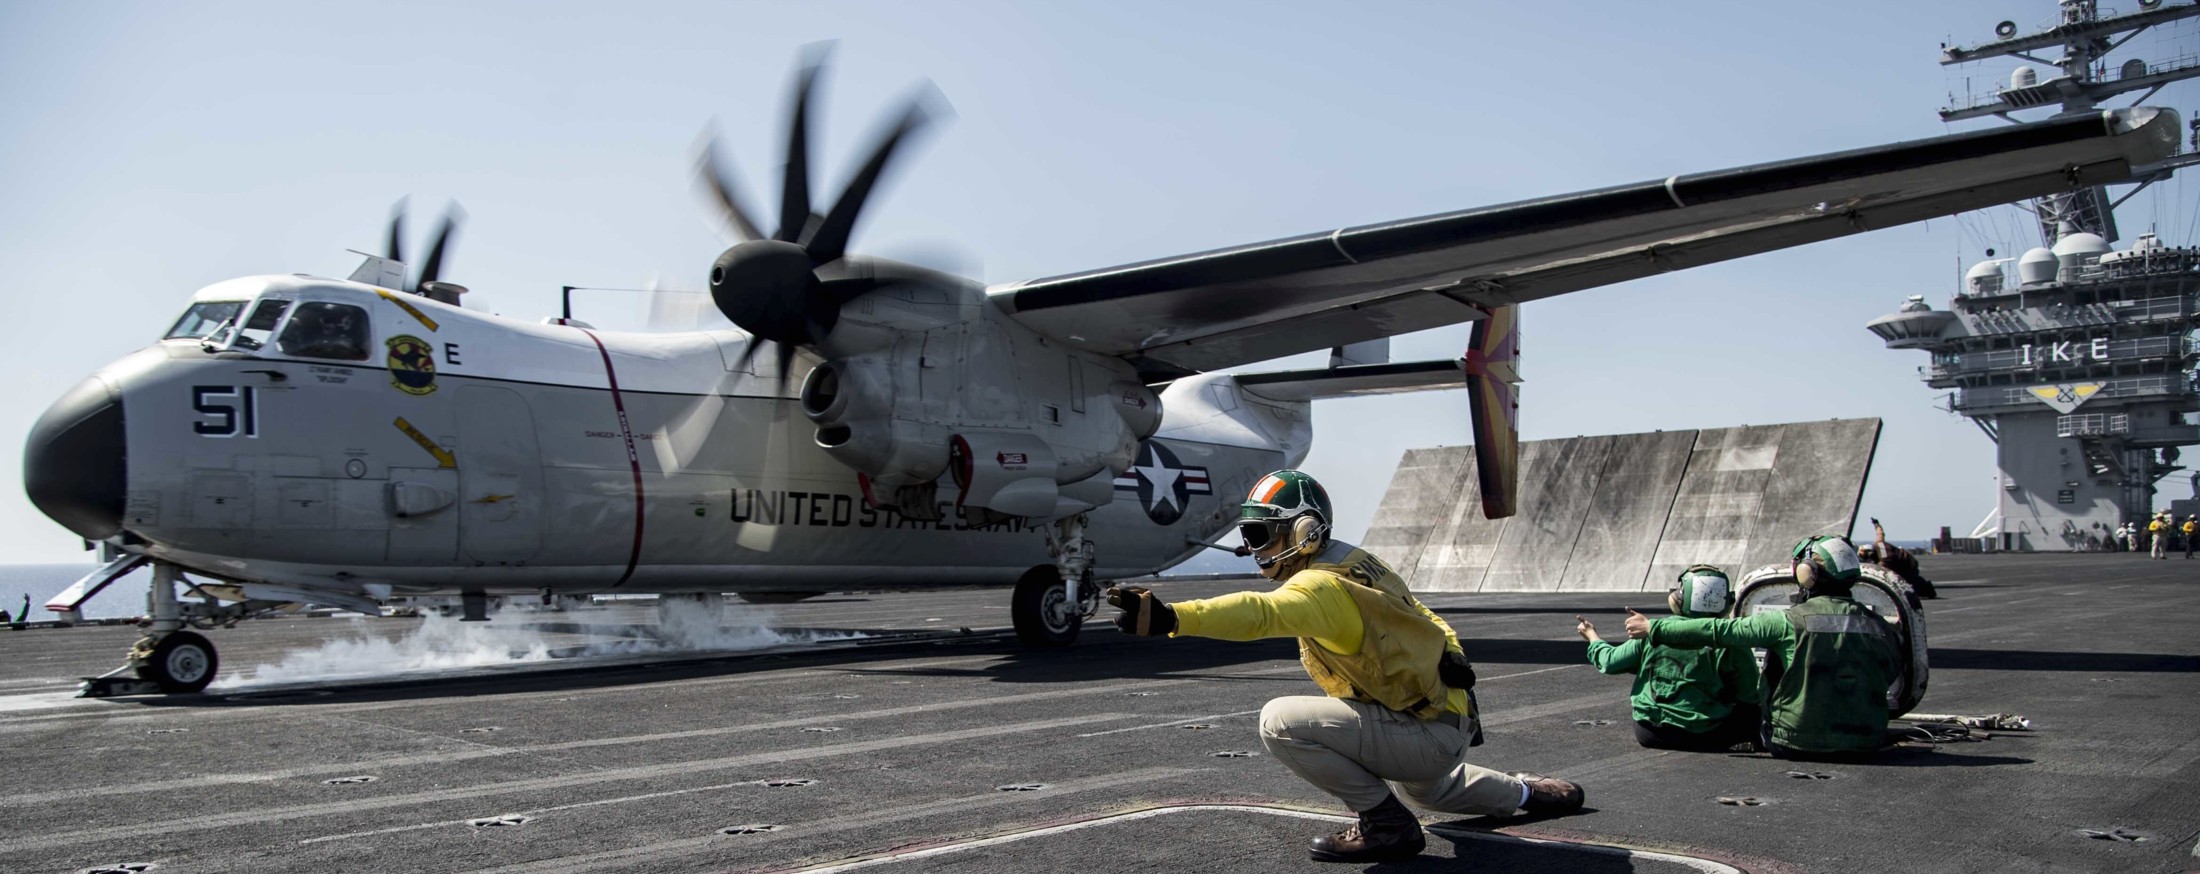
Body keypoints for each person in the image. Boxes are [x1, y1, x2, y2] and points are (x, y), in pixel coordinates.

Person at [1107, 470, 1584, 864]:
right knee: (1432, 792)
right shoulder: (1359, 562)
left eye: (1259, 533)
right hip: (1441, 718)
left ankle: (1385, 824)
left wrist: (1173, 618)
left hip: (1422, 730)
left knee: (1279, 721)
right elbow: (1424, 613)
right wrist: (1454, 652)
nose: (1253, 547)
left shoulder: (1321, 586)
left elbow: (1261, 613)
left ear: (1302, 532)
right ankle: (1528, 794)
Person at [1624, 535, 1904, 761]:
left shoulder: (1786, 622)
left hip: (1793, 745)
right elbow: (1891, 674)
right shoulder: (1880, 626)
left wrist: (1654, 628)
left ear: (1807, 574)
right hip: (1868, 743)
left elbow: (1717, 631)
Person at [1576, 564, 1761, 751]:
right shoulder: (1731, 640)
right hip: (1704, 734)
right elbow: (1750, 694)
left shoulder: (1655, 630)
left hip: (1649, 733)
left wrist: (1592, 636)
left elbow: (1610, 662)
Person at [1859, 517, 1938, 599]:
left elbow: (1881, 571)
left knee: (1911, 581)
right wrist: (1876, 525)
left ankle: (1928, 591)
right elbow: (1880, 534)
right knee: (1912, 580)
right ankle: (1927, 590)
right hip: (1904, 560)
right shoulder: (1879, 543)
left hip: (1907, 563)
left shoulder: (1884, 560)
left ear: (1870, 553)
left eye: (1866, 556)